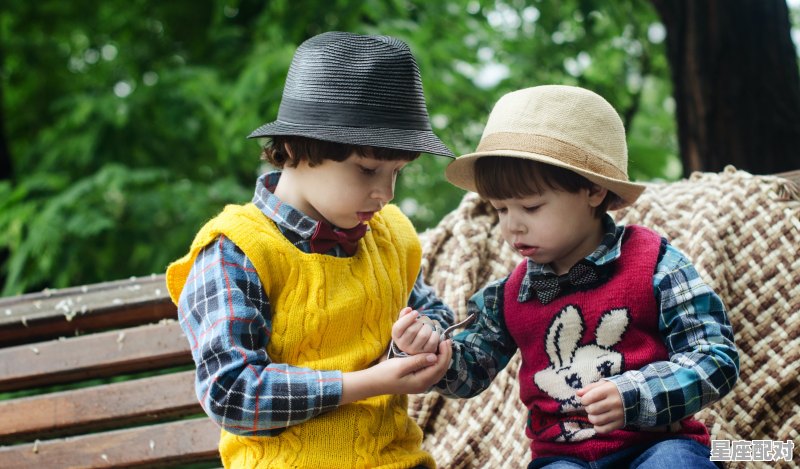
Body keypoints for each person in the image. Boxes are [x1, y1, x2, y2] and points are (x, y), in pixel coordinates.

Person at [390, 85, 739, 468]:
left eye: (531, 206)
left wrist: (633, 395)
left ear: (593, 190)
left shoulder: (655, 263)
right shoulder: (509, 295)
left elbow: (714, 357)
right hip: (562, 458)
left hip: (657, 445)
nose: (512, 227)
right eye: (501, 209)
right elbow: (469, 373)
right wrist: (430, 351)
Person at [165, 31, 456, 469]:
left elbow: (435, 312)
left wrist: (419, 341)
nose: (385, 193)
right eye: (369, 169)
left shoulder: (391, 234)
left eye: (397, 173)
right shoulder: (236, 250)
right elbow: (231, 393)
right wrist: (365, 382)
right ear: (297, 148)